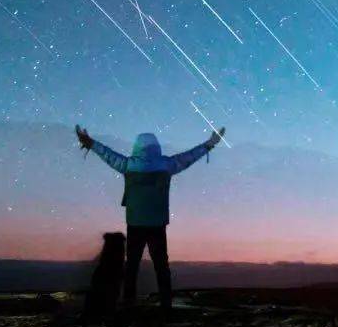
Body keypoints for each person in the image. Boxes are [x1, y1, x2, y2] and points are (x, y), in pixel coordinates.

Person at [75, 124, 225, 310]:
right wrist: (209, 144)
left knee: (132, 265)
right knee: (161, 265)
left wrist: (90, 143)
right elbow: (189, 157)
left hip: (135, 223)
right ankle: (166, 302)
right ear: (156, 147)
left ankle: (128, 301)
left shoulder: (128, 165)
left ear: (137, 147)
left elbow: (108, 154)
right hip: (157, 224)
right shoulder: (167, 165)